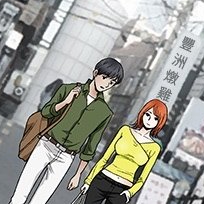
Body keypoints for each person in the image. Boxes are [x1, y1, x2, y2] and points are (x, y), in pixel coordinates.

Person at [8, 57, 124, 204]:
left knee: (40, 201)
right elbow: (46, 112)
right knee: (19, 196)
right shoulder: (68, 89)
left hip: (66, 158)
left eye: (112, 82)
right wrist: (65, 102)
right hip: (46, 146)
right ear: (95, 73)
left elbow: (91, 146)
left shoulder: (104, 112)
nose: (106, 83)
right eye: (105, 77)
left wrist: (78, 174)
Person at [80, 99, 168, 203]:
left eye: (155, 118)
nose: (150, 120)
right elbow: (104, 159)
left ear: (160, 122)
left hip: (122, 191)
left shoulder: (154, 148)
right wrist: (88, 181)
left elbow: (142, 178)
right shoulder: (125, 130)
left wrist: (129, 193)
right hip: (103, 180)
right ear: (142, 113)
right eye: (148, 114)